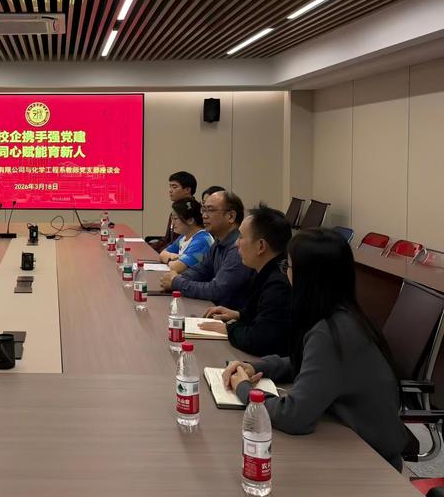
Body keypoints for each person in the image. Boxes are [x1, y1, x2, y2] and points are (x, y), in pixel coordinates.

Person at [223, 229, 408, 471]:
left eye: (288, 266)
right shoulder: (343, 316)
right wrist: (258, 366)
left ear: (307, 277)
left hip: (371, 462)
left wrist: (244, 389)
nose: (286, 273)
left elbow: (293, 416)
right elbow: (310, 363)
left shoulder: (331, 332)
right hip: (351, 443)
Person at [199, 204, 292, 356]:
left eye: (241, 237)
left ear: (261, 246)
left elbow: (259, 341)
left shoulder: (278, 285)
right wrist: (238, 315)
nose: (236, 244)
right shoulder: (265, 271)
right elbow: (261, 314)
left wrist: (228, 329)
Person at [159, 190, 252, 309]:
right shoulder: (218, 243)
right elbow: (200, 271)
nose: (204, 215)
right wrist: (176, 279)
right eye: (203, 210)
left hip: (230, 315)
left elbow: (216, 290)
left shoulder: (237, 248)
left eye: (210, 210)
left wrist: (176, 282)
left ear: (231, 216)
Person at [158, 198, 214, 276]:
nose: (172, 223)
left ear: (190, 220)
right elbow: (162, 254)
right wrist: (173, 257)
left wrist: (171, 260)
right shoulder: (183, 237)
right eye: (172, 218)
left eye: (175, 218)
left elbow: (178, 267)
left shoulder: (202, 240)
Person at [149, 171, 197, 252]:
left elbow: (177, 243)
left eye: (174, 187)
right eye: (170, 187)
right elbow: (167, 239)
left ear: (187, 190)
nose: (170, 190)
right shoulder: (176, 210)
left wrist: (159, 253)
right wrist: (148, 247)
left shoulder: (193, 211)